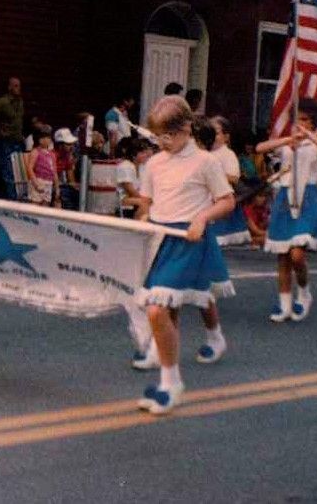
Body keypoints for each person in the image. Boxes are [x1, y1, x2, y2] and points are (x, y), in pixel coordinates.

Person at [135, 96, 235, 415]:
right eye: (158, 136)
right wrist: (141, 221)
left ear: (187, 129)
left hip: (189, 242)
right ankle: (167, 382)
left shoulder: (206, 162)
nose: (163, 142)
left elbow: (227, 201)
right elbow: (147, 203)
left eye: (169, 135)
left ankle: (172, 383)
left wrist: (202, 217)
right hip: (160, 241)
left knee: (156, 310)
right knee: (168, 313)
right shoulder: (154, 164)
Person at [257, 98, 317, 322]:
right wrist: (288, 139)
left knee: (297, 254)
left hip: (307, 199)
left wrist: (309, 136)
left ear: (313, 122)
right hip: (285, 198)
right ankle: (284, 305)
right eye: (297, 119)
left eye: (305, 119)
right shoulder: (287, 144)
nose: (300, 123)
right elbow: (260, 148)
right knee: (283, 256)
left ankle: (304, 293)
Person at [206, 116, 251, 246]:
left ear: (226, 137)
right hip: (206, 198)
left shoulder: (227, 154)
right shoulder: (205, 153)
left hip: (220, 198)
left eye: (217, 133)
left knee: (219, 238)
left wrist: (214, 175)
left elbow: (234, 178)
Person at [0, 76, 25, 200]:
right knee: (8, 171)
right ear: (9, 87)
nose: (17, 88)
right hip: (6, 142)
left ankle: (19, 197)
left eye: (19, 86)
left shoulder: (20, 102)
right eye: (15, 86)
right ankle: (11, 199)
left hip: (18, 141)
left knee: (19, 172)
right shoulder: (3, 102)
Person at [25, 126, 60, 207]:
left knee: (45, 206)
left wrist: (57, 188)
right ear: (38, 139)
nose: (45, 140)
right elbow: (30, 168)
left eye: (48, 137)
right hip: (38, 181)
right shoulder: (36, 152)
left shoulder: (52, 154)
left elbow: (54, 171)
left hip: (49, 183)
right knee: (35, 206)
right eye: (42, 137)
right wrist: (36, 183)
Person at [54, 127, 79, 209]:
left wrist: (77, 187)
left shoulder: (67, 156)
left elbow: (71, 179)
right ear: (60, 145)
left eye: (72, 144)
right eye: (68, 144)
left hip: (61, 185)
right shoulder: (52, 156)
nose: (72, 146)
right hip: (50, 186)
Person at [104, 93, 135, 157]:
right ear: (125, 101)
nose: (133, 103)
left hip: (124, 149)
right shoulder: (112, 114)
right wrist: (112, 152)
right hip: (116, 150)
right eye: (131, 100)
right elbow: (112, 134)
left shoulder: (124, 114)